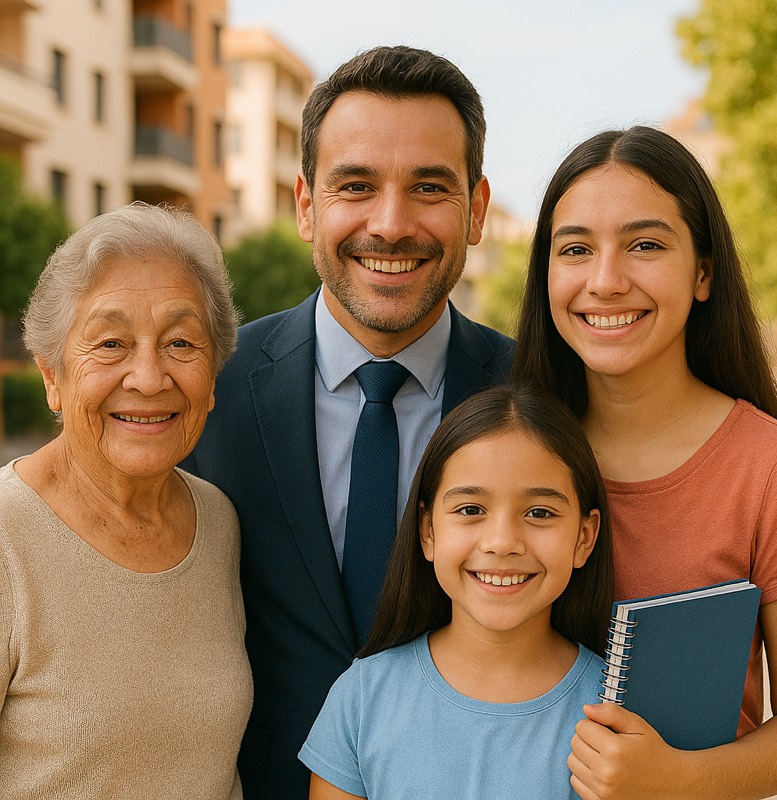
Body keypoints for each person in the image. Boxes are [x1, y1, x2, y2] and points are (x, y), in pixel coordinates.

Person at [181, 44, 514, 798]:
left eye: (430, 187)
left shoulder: (542, 396)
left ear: (478, 210)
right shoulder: (208, 385)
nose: (390, 225)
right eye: (356, 185)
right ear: (306, 205)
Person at [512, 125, 777, 799]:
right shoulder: (505, 452)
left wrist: (681, 780)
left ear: (703, 271)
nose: (606, 281)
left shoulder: (775, 470)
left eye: (645, 245)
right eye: (576, 249)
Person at [0, 203, 253, 799]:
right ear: (52, 377)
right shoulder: (7, 537)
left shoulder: (217, 521)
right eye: (110, 342)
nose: (147, 377)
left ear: (212, 379)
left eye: (181, 343)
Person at [298, 384, 613, 799]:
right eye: (471, 510)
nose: (502, 542)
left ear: (584, 537)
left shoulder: (615, 712)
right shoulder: (362, 698)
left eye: (539, 512)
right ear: (427, 530)